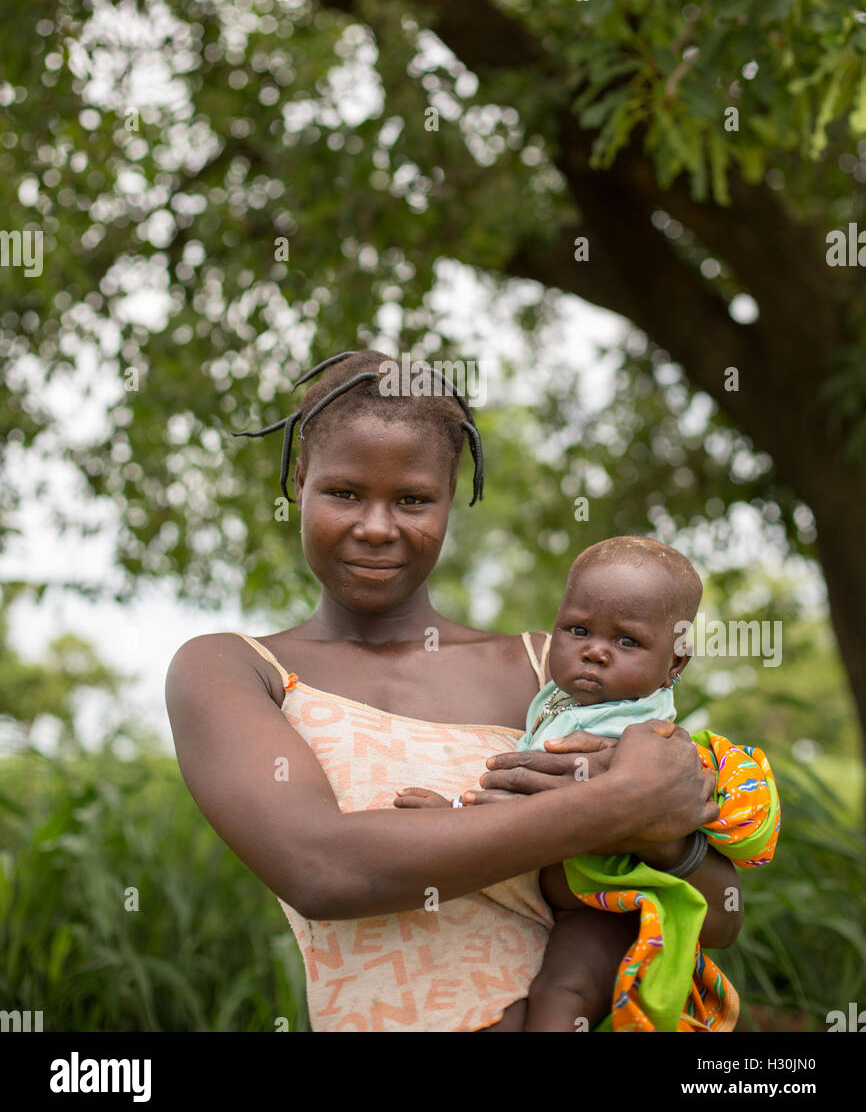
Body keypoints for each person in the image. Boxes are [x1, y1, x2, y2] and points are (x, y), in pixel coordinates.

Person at [165, 350, 729, 1032]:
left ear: (451, 497)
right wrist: (622, 801)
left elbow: (721, 914)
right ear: (299, 481)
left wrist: (670, 844)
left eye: (412, 499)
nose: (376, 527)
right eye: (344, 493)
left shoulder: (552, 671)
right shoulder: (233, 669)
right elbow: (320, 869)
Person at [397, 535, 780, 1031]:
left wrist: (452, 810)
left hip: (609, 900)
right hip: (557, 894)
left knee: (564, 995)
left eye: (627, 641)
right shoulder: (560, 699)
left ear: (675, 662)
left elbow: (536, 801)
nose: (595, 652)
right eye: (578, 630)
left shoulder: (638, 731)